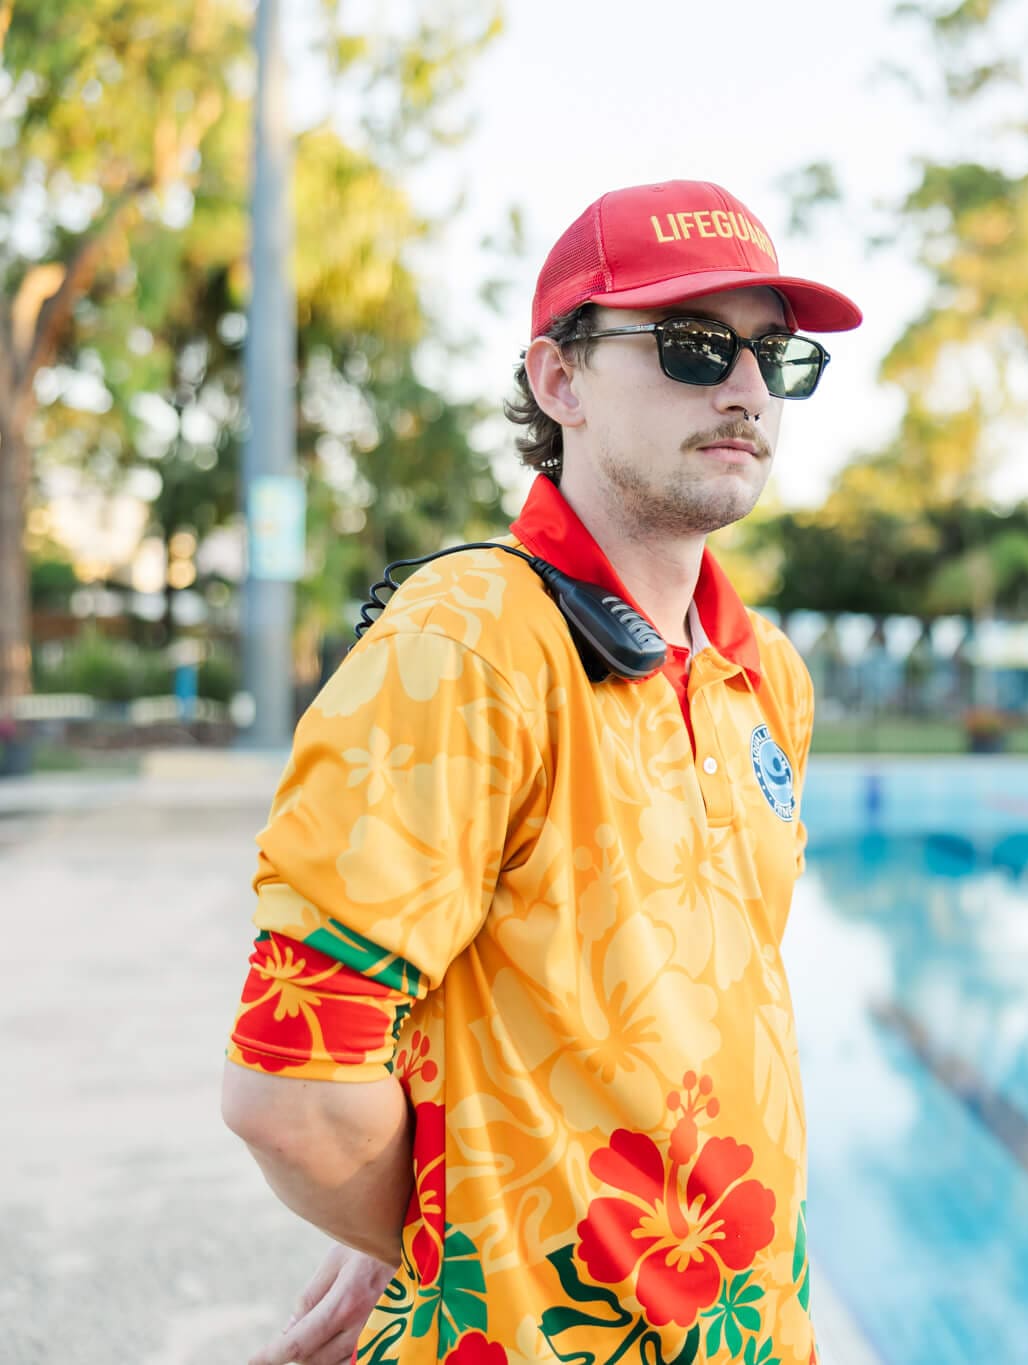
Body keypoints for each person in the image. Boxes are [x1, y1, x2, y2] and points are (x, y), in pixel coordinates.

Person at [220, 179, 859, 1365]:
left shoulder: (763, 674)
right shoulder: (465, 643)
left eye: (773, 354)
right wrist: (429, 1223)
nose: (744, 388)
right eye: (692, 344)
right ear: (559, 379)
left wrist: (423, 1168)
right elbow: (295, 1094)